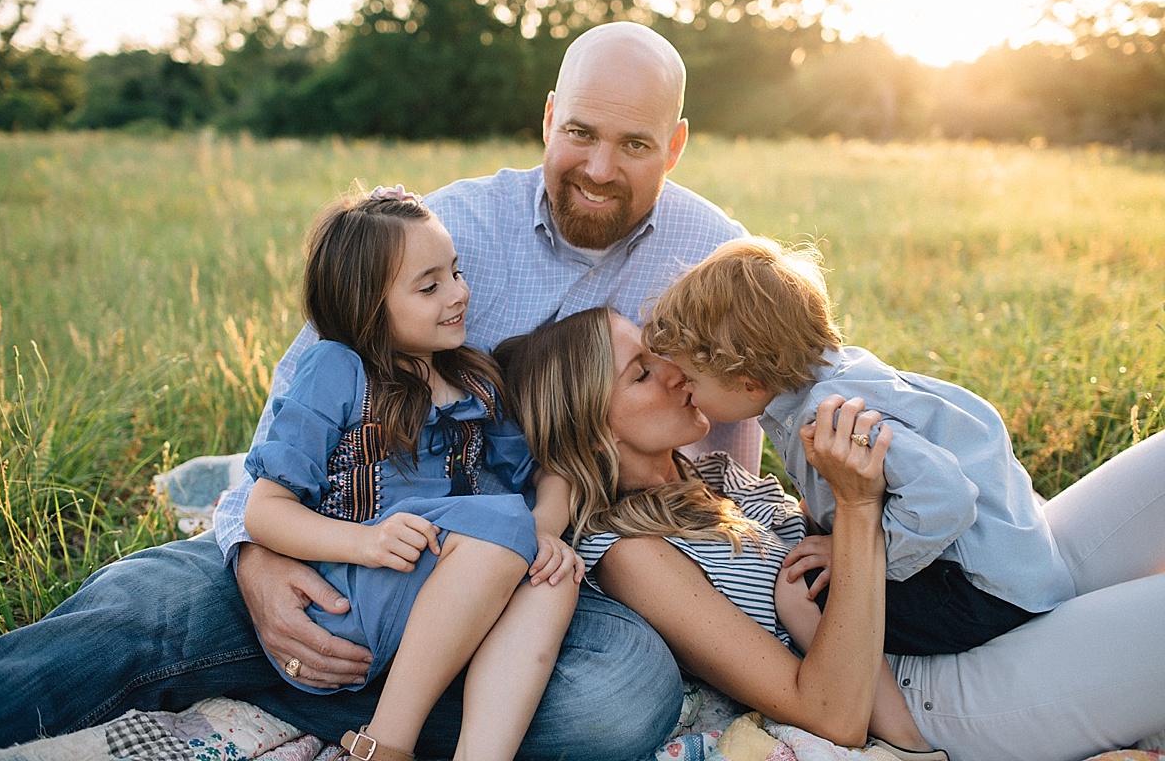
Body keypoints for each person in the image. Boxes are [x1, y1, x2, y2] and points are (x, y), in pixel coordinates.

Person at [0, 22, 756, 759]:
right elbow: (297, 403)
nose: (598, 168)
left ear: (677, 145)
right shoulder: (441, 229)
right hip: (346, 535)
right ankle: (307, 676)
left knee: (620, 695)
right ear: (549, 117)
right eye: (580, 132)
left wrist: (838, 515)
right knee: (144, 613)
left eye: (636, 143)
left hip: (526, 576)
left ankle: (323, 694)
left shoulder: (715, 258)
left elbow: (783, 400)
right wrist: (254, 558)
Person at [497, 305, 1165, 761]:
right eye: (642, 371)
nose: (676, 369)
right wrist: (857, 509)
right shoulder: (633, 557)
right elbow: (830, 713)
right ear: (594, 424)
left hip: (960, 597)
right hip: (924, 686)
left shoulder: (716, 478)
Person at [241, 185, 581, 761]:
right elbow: (264, 509)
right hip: (349, 597)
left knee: (555, 574)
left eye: (456, 272)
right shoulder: (338, 369)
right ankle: (386, 744)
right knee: (498, 529)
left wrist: (545, 531)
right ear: (365, 304)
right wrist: (366, 541)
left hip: (449, 593)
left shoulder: (473, 380)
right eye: (430, 286)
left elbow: (554, 472)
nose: (459, 294)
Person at [643, 236, 1074, 657]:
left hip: (981, 591)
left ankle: (866, 700)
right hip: (1007, 567)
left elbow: (947, 496)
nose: (684, 388)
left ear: (749, 383)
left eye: (692, 379)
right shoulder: (831, 375)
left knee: (812, 600)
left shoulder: (833, 414)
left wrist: (852, 555)